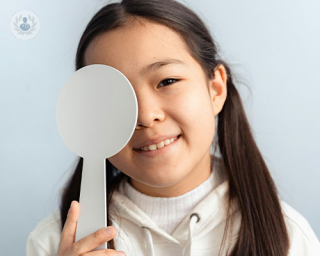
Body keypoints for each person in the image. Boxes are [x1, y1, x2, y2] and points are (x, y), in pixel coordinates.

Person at [26, 0, 320, 255]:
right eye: (114, 97)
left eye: (167, 82)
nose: (145, 115)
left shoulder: (290, 238)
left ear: (216, 89)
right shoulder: (54, 242)